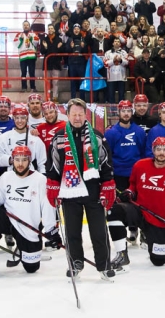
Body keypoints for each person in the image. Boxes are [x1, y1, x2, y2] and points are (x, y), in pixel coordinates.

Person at [46, 98, 116, 280]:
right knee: (72, 231)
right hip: (69, 190)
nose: (77, 118)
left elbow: (106, 162)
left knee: (99, 231)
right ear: (67, 115)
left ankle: (104, 265)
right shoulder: (59, 137)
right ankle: (75, 263)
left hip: (93, 190)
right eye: (73, 114)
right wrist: (52, 182)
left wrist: (108, 183)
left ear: (85, 115)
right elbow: (53, 163)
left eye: (80, 114)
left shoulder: (97, 136)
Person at [0, 146, 58, 280]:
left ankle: (23, 248)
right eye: (17, 160)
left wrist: (50, 230)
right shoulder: (5, 177)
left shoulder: (40, 180)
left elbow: (48, 206)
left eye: (24, 160)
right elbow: (0, 199)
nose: (20, 164)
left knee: (31, 268)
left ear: (29, 161)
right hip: (8, 218)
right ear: (12, 160)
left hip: (27, 226)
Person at [107, 137, 165, 273]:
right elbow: (133, 185)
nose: (161, 153)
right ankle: (122, 255)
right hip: (139, 210)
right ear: (153, 150)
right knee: (114, 211)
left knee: (159, 260)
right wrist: (129, 192)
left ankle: (151, 237)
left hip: (158, 218)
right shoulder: (140, 165)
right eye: (158, 149)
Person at [105, 100, 147, 193]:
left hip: (136, 174)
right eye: (123, 111)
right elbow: (108, 156)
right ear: (118, 113)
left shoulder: (139, 131)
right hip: (118, 175)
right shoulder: (111, 133)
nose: (126, 114)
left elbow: (143, 152)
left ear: (132, 112)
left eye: (128, 111)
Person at [0, 104, 47, 175]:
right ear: (13, 119)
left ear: (27, 119)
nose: (20, 121)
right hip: (11, 176)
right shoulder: (3, 137)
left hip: (31, 177)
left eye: (23, 118)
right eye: (17, 118)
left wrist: (43, 177)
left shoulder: (35, 139)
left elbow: (42, 163)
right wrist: (12, 159)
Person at [15, 20, 39, 93]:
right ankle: (24, 87)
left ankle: (32, 87)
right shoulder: (19, 34)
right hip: (23, 57)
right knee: (23, 73)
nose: (26, 26)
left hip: (31, 56)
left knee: (32, 72)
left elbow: (36, 42)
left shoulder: (33, 34)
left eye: (27, 25)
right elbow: (16, 43)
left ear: (29, 26)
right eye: (24, 25)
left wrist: (31, 38)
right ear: (22, 26)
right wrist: (21, 39)